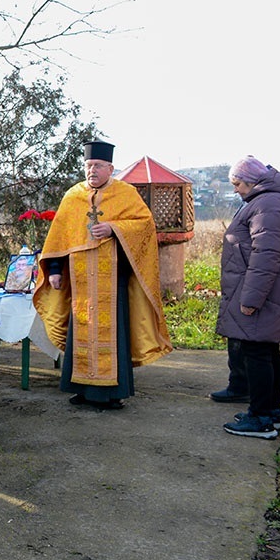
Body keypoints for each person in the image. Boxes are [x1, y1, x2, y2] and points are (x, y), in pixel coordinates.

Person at [33, 139, 172, 410]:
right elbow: (59, 238)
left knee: (113, 334)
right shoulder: (73, 196)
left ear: (110, 168)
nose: (91, 171)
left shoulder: (126, 193)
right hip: (79, 282)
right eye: (88, 165)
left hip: (113, 280)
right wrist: (53, 271)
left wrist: (113, 228)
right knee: (80, 332)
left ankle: (112, 393)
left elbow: (144, 227)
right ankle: (82, 389)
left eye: (97, 165)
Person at [213, 156, 280, 439]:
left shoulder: (267, 204)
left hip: (263, 293)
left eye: (237, 184)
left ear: (252, 181)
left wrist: (250, 300)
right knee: (266, 350)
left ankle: (260, 418)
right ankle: (272, 413)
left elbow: (266, 257)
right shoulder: (272, 201)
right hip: (269, 291)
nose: (236, 190)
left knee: (257, 353)